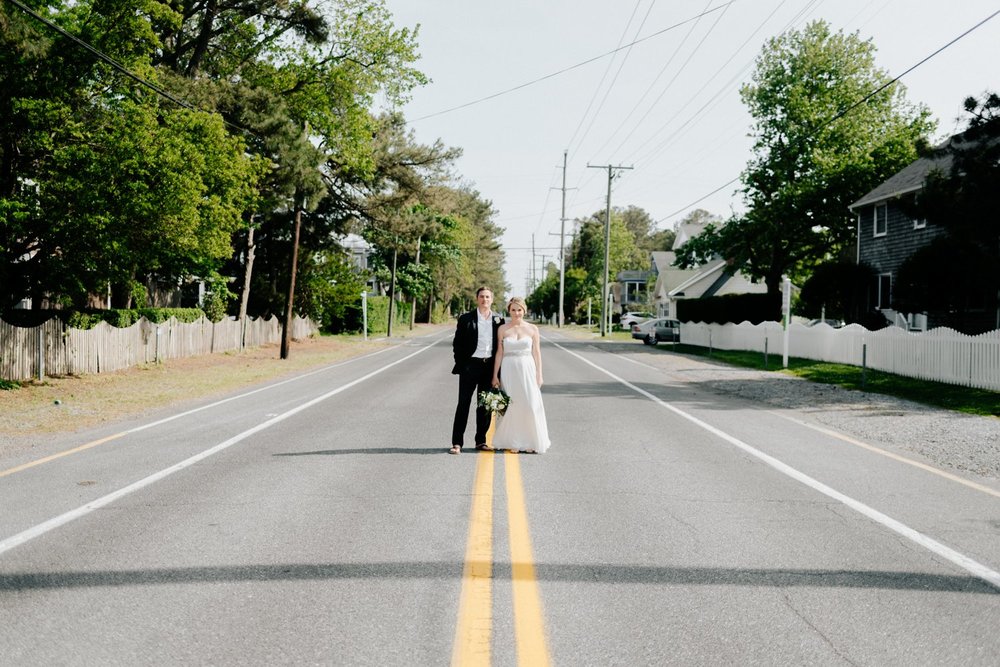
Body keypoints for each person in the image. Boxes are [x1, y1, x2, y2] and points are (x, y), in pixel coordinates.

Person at [491, 296, 551, 454]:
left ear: (524, 310)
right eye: (513, 310)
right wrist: (495, 375)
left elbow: (536, 353)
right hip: (509, 369)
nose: (516, 313)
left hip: (527, 368)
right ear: (509, 311)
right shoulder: (503, 329)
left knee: (530, 404)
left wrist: (539, 374)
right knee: (512, 405)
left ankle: (531, 441)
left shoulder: (532, 329)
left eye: (519, 310)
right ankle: (514, 441)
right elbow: (499, 353)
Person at [450, 286, 505, 455]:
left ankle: (481, 440)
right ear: (477, 299)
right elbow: (457, 344)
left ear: (492, 299)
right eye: (482, 297)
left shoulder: (498, 320)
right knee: (463, 404)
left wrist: (497, 372)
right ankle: (457, 443)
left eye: (488, 297)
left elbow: (501, 346)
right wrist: (462, 363)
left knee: (485, 405)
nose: (485, 300)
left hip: (488, 367)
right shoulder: (466, 319)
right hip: (470, 366)